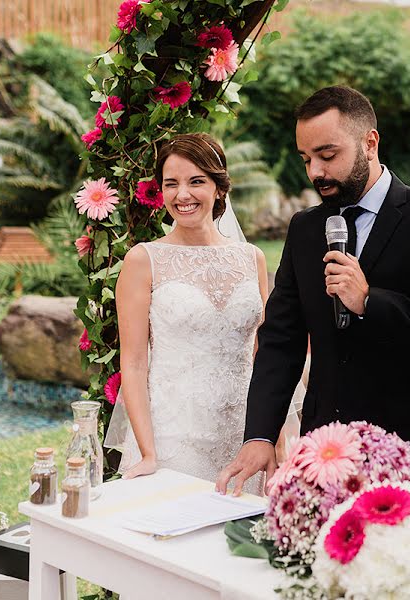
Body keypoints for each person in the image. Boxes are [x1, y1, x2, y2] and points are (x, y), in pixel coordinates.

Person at [217, 86, 410, 496]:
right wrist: (261, 435)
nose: (315, 172)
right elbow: (280, 340)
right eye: (306, 159)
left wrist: (371, 302)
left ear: (369, 142)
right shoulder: (305, 229)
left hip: (409, 452)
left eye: (327, 155)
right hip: (325, 453)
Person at [109, 133, 271, 492]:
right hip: (174, 439)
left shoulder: (252, 258)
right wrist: (149, 454)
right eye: (171, 184)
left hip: (244, 435)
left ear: (219, 187)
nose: (182, 195)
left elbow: (268, 356)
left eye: (196, 181)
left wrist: (274, 437)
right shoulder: (144, 259)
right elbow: (134, 363)